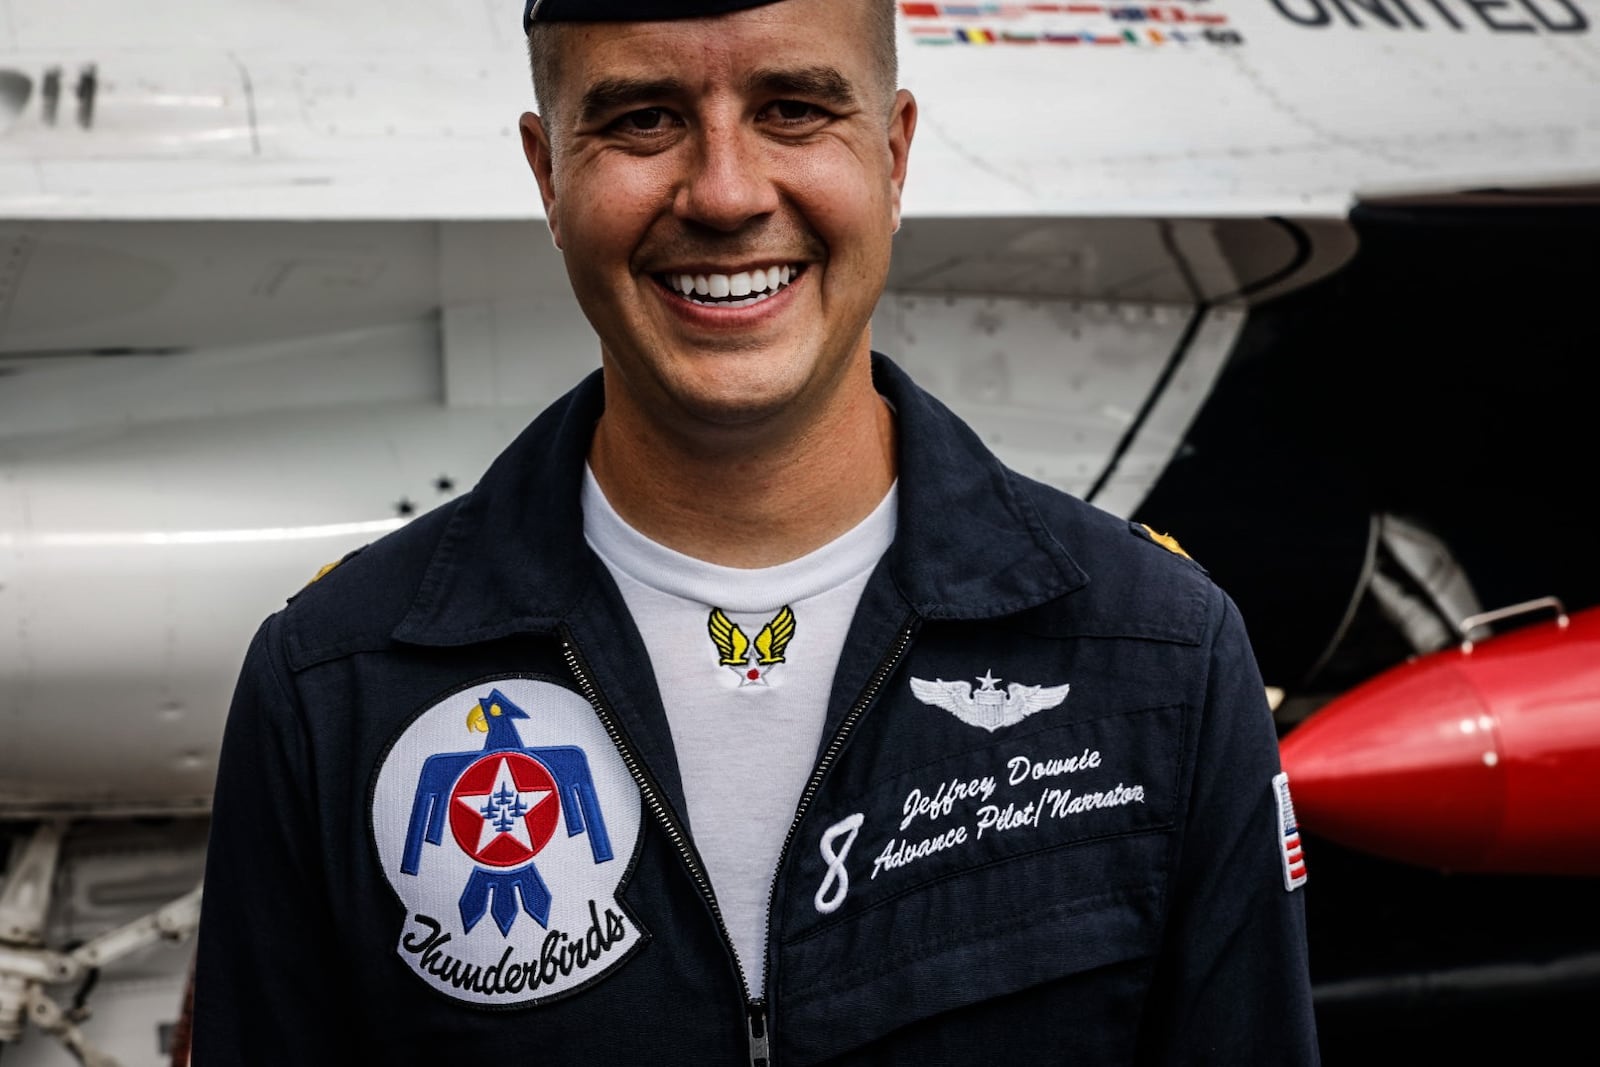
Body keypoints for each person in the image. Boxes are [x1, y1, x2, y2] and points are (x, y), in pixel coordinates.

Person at [192, 0, 1320, 1063]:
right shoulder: (339, 685)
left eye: (792, 109)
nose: (725, 193)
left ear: (892, 152)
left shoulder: (1151, 656)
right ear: (547, 175)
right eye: (642, 120)